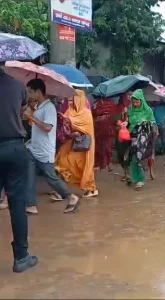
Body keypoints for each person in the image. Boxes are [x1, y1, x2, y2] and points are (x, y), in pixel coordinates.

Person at [0, 65, 38, 273]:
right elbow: (22, 109)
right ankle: (21, 257)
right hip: (14, 147)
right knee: (17, 205)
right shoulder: (18, 86)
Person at [24, 79, 79, 214]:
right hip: (34, 149)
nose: (29, 94)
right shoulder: (39, 107)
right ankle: (30, 204)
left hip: (44, 151)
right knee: (28, 175)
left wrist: (32, 117)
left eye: (31, 92)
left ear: (38, 92)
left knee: (51, 178)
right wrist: (32, 113)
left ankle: (71, 197)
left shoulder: (49, 108)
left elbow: (48, 127)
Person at [55, 90, 98, 198]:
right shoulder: (69, 111)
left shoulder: (86, 113)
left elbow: (87, 130)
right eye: (70, 100)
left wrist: (74, 128)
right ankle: (62, 191)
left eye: (73, 99)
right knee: (63, 163)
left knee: (84, 166)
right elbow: (65, 124)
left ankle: (91, 188)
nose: (70, 102)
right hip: (72, 144)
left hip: (84, 147)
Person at [126, 89, 156, 190]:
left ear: (141, 100)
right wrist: (125, 123)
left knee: (139, 157)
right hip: (133, 137)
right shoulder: (130, 109)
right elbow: (128, 122)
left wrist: (145, 122)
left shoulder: (148, 110)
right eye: (133, 102)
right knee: (133, 158)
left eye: (137, 102)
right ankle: (136, 179)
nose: (135, 104)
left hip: (144, 138)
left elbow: (153, 123)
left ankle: (141, 180)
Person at [92, 97, 117, 172]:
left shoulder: (111, 103)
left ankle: (108, 163)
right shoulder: (97, 103)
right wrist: (95, 108)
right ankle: (99, 164)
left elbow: (114, 115)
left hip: (109, 129)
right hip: (99, 129)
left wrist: (106, 117)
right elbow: (94, 114)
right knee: (98, 148)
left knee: (108, 147)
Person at [115, 92, 132, 182]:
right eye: (127, 95)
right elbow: (114, 123)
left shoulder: (133, 107)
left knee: (129, 154)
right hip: (120, 136)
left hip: (130, 135)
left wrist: (128, 115)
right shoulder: (117, 108)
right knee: (121, 155)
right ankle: (126, 172)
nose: (129, 97)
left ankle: (129, 174)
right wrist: (122, 114)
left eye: (130, 95)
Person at [152, 99, 165, 165]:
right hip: (156, 126)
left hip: (164, 126)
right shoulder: (153, 107)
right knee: (154, 143)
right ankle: (152, 158)